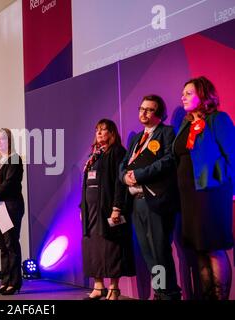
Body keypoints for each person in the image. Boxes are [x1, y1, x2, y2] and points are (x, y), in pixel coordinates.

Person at [173, 76, 234, 300]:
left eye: (189, 93)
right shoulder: (185, 124)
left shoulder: (218, 119)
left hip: (211, 195)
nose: (183, 97)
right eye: (183, 93)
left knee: (213, 247)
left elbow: (232, 156)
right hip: (189, 197)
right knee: (199, 249)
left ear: (203, 95)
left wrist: (223, 184)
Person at [119, 95, 181, 300]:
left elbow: (168, 160)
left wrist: (138, 175)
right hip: (137, 204)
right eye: (141, 108)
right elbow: (125, 164)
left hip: (156, 202)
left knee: (160, 252)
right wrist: (124, 177)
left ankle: (168, 294)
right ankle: (159, 291)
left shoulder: (167, 133)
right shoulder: (137, 138)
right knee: (147, 253)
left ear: (159, 114)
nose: (143, 113)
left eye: (149, 110)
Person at [80, 119, 135, 300]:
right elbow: (86, 184)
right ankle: (98, 286)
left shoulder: (118, 152)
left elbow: (120, 184)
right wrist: (83, 207)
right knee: (93, 247)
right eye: (97, 130)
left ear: (112, 133)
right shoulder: (94, 155)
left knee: (110, 248)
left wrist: (117, 208)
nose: (99, 133)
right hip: (91, 211)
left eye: (104, 130)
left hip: (108, 209)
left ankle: (113, 287)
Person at [0, 128, 24, 295]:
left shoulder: (14, 159)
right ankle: (5, 280)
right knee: (2, 245)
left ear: (9, 140)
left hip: (10, 206)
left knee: (11, 243)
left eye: (2, 138)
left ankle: (14, 283)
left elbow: (9, 184)